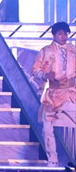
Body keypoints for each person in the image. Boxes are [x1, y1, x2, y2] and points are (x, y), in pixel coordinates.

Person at [31, 21, 75, 166]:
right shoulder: (46, 51)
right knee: (47, 127)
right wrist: (45, 75)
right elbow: (35, 70)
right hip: (52, 95)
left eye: (66, 34)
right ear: (54, 35)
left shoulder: (73, 50)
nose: (64, 36)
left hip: (70, 93)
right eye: (60, 34)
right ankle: (53, 159)